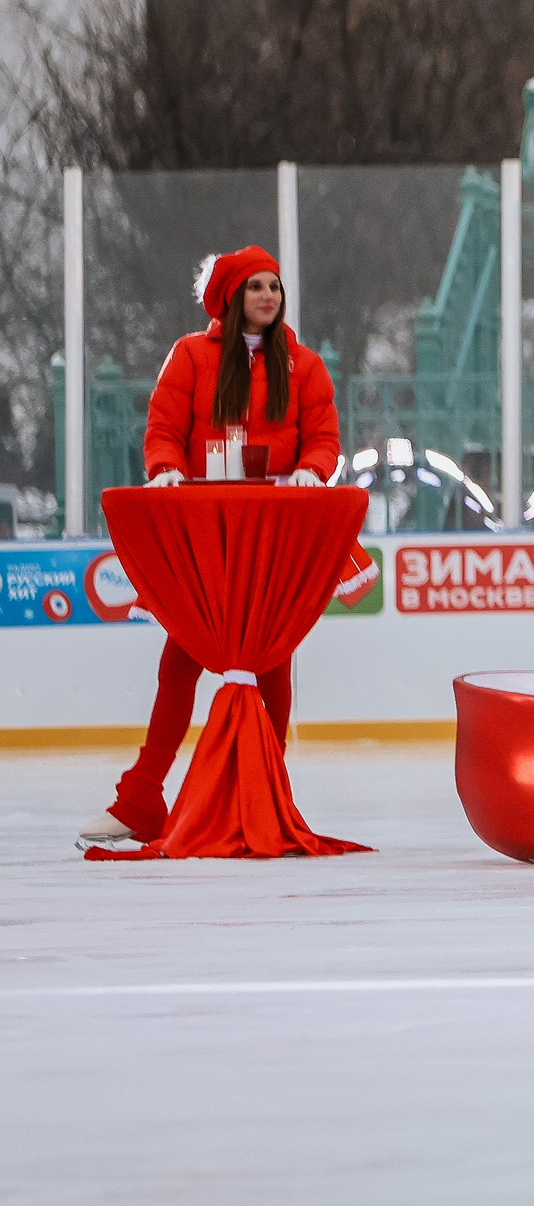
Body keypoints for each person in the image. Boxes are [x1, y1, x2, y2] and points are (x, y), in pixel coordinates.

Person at [77, 247, 342, 849]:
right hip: (208, 535)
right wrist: (166, 468)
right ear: (229, 296)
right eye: (255, 287)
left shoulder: (304, 365)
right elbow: (164, 429)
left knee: (270, 658)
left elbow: (323, 438)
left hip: (271, 535)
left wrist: (310, 471)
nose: (269, 296)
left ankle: (263, 798)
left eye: (275, 286)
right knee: (181, 661)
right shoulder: (191, 357)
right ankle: (141, 798)